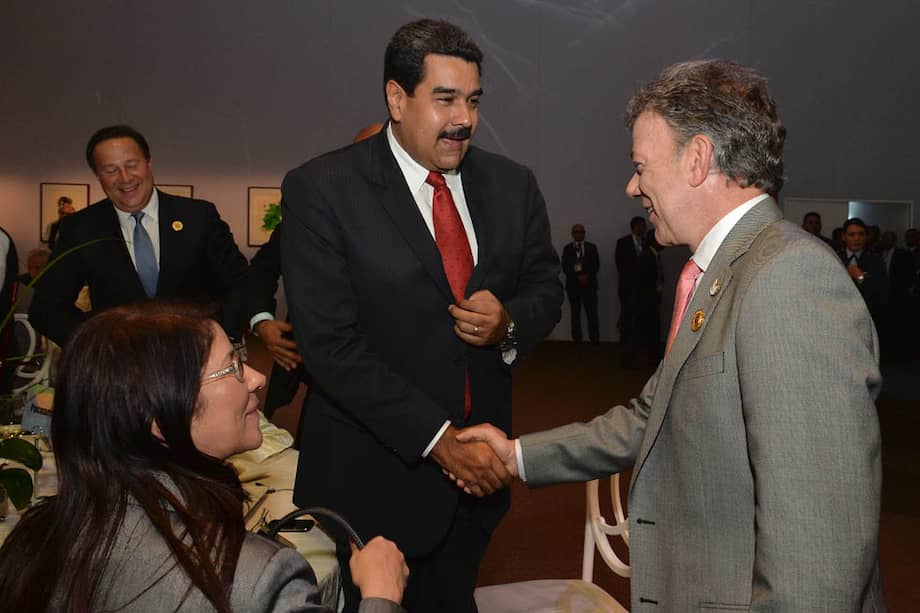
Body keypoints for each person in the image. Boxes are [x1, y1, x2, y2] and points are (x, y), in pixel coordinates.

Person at [456, 59, 885, 610]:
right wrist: (517, 455)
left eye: (641, 166)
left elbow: (819, 564)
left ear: (698, 159)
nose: (632, 186)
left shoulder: (787, 279)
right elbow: (650, 417)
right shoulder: (723, 274)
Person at [280, 18, 562, 612]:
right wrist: (440, 441)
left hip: (477, 482)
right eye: (445, 99)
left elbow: (546, 288)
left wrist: (508, 322)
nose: (465, 119)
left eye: (474, 101)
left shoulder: (512, 185)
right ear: (396, 98)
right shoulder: (323, 189)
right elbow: (330, 345)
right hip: (372, 483)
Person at [0, 302, 408, 612]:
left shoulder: (32, 541)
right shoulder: (259, 578)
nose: (257, 377)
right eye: (233, 366)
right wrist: (380, 596)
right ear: (159, 422)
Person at [30, 125, 248, 347]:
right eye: (111, 170)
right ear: (98, 175)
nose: (125, 178)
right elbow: (46, 308)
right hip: (119, 362)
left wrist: (218, 339)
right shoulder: (81, 228)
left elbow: (240, 283)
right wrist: (98, 347)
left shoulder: (198, 217)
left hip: (197, 354)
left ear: (148, 163)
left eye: (132, 165)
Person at [838, 217, 888, 324]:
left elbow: (881, 293)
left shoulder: (876, 260)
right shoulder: (836, 258)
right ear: (843, 237)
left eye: (861, 234)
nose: (857, 238)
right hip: (839, 315)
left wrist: (860, 277)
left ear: (866, 236)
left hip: (867, 316)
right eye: (851, 234)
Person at [561, 223, 600, 342]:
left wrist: (586, 275)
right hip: (573, 286)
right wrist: (578, 277)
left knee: (592, 313)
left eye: (581, 232)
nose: (579, 234)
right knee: (575, 314)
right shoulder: (567, 248)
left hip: (589, 285)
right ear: (572, 234)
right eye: (576, 232)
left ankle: (594, 339)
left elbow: (596, 264)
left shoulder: (591, 247)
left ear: (584, 233)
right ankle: (577, 339)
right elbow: (565, 267)